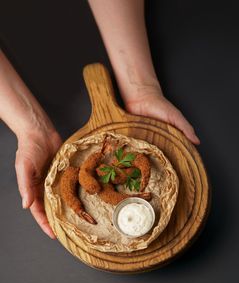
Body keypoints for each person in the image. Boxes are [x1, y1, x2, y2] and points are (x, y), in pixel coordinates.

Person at [0, 0, 200, 239]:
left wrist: (141, 87)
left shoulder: (101, 170)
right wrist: (30, 127)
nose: (92, 188)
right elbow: (85, 178)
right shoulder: (90, 176)